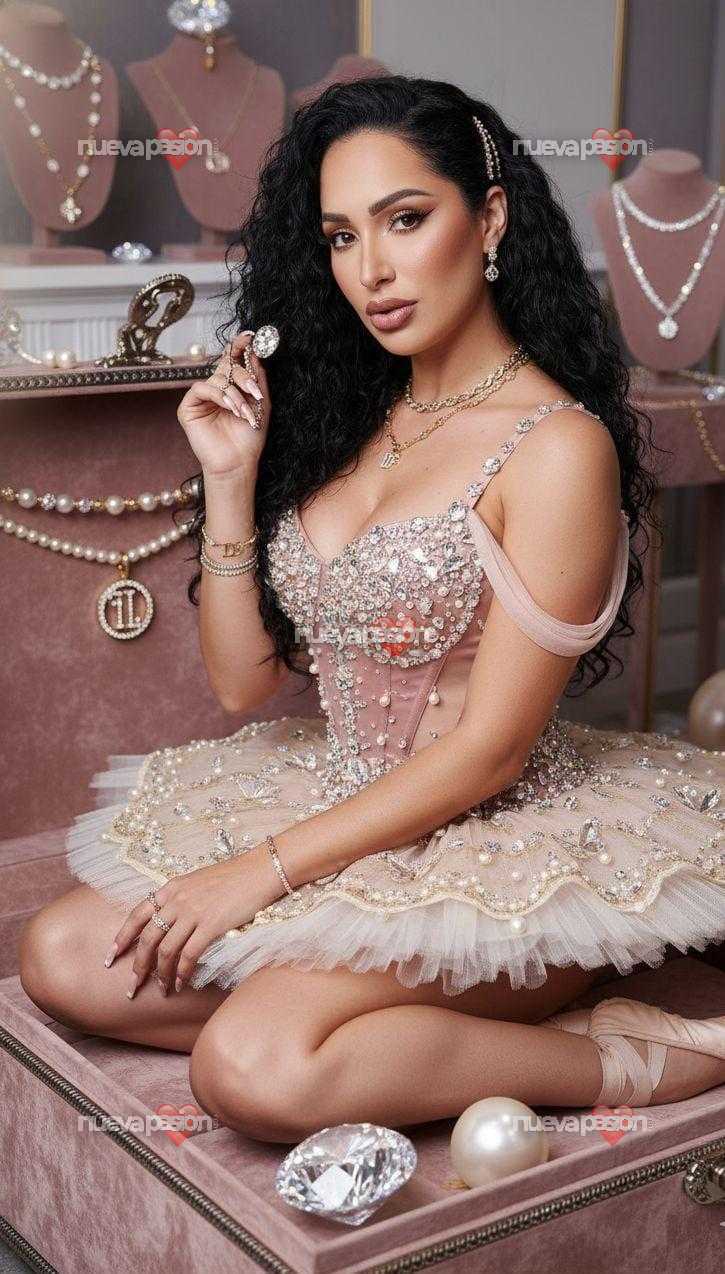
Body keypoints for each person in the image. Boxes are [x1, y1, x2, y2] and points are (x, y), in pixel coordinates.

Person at [19, 75, 725, 1143]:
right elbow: (242, 682)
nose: (371, 271)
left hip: (494, 835)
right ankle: (368, 1019)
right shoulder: (353, 417)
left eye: (405, 219)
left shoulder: (556, 446)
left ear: (488, 217)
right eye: (341, 237)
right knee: (64, 957)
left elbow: (489, 753)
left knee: (254, 1066)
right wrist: (228, 477)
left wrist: (252, 878)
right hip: (335, 797)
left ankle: (626, 1054)